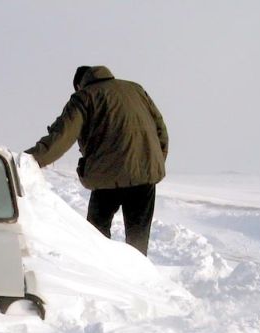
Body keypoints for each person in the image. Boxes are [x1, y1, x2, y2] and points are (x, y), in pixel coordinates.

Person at [25, 65, 168, 255]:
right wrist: (154, 162)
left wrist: (28, 161)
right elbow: (161, 130)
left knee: (95, 235)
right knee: (138, 240)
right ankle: (138, 281)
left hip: (107, 176)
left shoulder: (84, 97)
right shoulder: (135, 89)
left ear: (79, 85)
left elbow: (61, 136)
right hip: (145, 175)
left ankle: (101, 277)